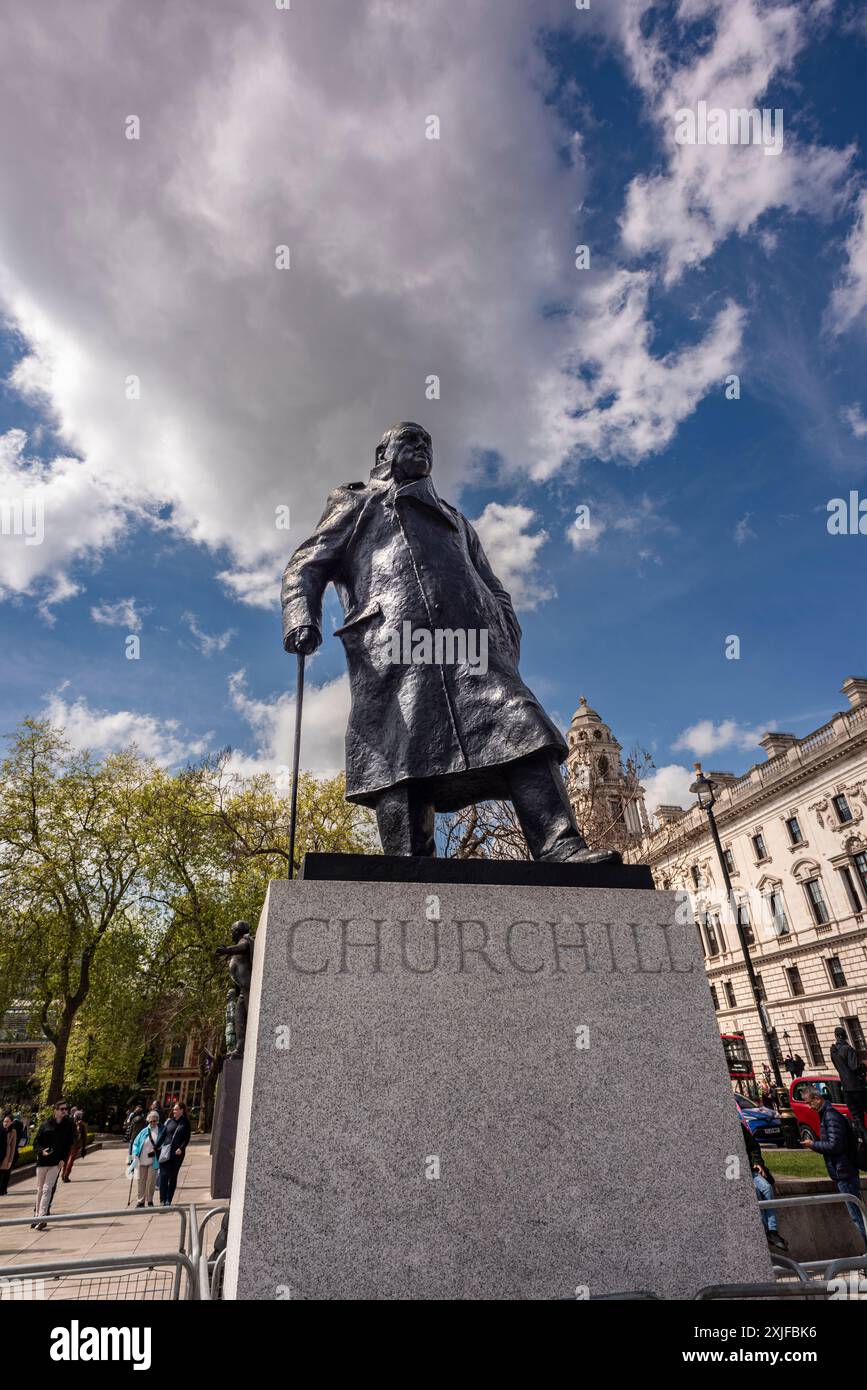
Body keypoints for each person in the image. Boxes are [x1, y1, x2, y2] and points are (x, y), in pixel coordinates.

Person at [282, 422, 620, 865]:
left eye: (428, 442)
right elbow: (306, 565)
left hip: (470, 644)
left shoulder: (456, 518)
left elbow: (491, 582)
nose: (422, 446)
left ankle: (560, 846)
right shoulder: (356, 501)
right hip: (395, 643)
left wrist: (503, 626)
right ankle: (410, 861)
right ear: (383, 451)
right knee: (402, 747)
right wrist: (300, 616)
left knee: (523, 722)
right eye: (410, 439)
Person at [802, 1085, 867, 1247]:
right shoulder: (827, 1115)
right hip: (842, 1171)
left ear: (817, 1099)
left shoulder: (830, 1116)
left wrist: (813, 1145)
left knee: (858, 1216)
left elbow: (835, 1145)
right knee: (858, 1215)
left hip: (844, 1172)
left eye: (810, 1103)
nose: (809, 1107)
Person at [32, 1101, 76, 1230]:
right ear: (55, 1110)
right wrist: (42, 1151)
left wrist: (63, 1159)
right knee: (39, 1190)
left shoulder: (68, 1125)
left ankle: (42, 1218)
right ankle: (36, 1216)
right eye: (62, 1109)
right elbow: (36, 1143)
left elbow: (68, 1144)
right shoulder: (45, 1125)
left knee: (47, 1189)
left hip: (56, 1163)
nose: (64, 1111)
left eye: (66, 1109)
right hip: (42, 1162)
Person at [830, 1026, 867, 1143]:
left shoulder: (834, 1051)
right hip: (857, 1087)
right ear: (845, 1035)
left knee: (857, 1119)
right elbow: (854, 1067)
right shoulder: (847, 1049)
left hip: (846, 1089)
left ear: (836, 1036)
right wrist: (864, 1066)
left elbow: (838, 1068)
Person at [157, 1101, 191, 1206]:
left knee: (172, 1176)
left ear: (182, 1110)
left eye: (176, 1109)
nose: (174, 1111)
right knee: (163, 1176)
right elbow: (163, 1135)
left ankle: (168, 1199)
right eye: (174, 1109)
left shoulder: (185, 1122)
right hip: (166, 1152)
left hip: (177, 1154)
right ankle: (162, 1199)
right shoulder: (169, 1122)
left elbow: (187, 1138)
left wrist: (181, 1148)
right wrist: (156, 1146)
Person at [131, 1110, 163, 1207]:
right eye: (151, 1121)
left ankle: (150, 1200)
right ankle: (140, 1201)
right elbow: (135, 1143)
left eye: (154, 1121)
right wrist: (135, 1153)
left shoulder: (160, 1131)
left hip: (153, 1161)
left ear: (157, 1120)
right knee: (141, 1181)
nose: (153, 1123)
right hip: (142, 1160)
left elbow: (163, 1143)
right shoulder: (144, 1131)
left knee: (151, 1181)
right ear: (148, 1121)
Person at [61, 1110, 87, 1183]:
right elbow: (84, 1137)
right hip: (75, 1144)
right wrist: (83, 1147)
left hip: (67, 1144)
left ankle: (63, 1174)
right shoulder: (82, 1124)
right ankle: (66, 1175)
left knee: (66, 1159)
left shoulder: (70, 1123)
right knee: (71, 1160)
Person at [0, 1111, 20, 1197]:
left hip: (7, 1155)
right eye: (4, 1121)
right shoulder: (0, 1129)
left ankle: (3, 1189)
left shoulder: (13, 1132)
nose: (5, 1123)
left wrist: (10, 1161)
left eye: (7, 1121)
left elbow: (13, 1147)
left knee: (5, 1173)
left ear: (11, 1122)